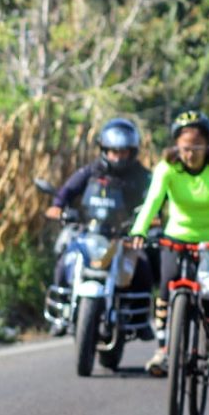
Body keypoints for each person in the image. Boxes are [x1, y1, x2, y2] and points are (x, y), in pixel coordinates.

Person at [130, 110, 209, 379]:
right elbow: (153, 202)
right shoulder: (167, 168)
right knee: (165, 288)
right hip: (177, 237)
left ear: (208, 145)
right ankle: (162, 349)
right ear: (176, 146)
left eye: (196, 147)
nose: (190, 153)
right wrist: (139, 229)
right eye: (184, 147)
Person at [43, 118, 156, 340]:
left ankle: (140, 320)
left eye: (123, 152)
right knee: (64, 261)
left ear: (132, 152)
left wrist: (153, 220)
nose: (118, 157)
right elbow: (68, 190)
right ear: (104, 150)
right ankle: (62, 313)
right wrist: (58, 207)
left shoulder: (142, 176)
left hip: (122, 237)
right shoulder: (92, 171)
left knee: (142, 265)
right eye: (113, 152)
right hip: (90, 232)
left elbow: (155, 200)